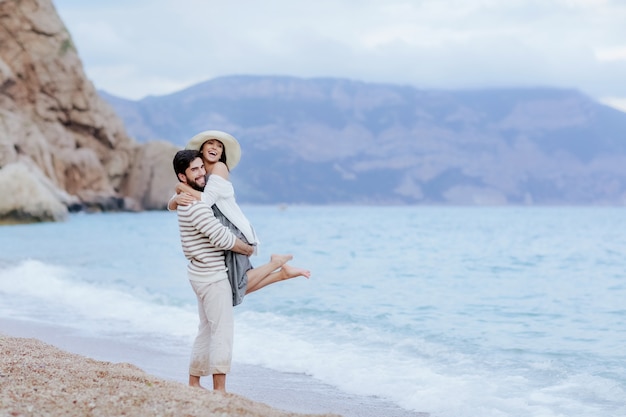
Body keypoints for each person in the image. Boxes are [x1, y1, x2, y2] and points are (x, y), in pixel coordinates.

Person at [169, 130, 310, 306]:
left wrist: (179, 187)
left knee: (232, 288)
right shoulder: (201, 172)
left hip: (234, 229)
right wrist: (175, 198)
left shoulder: (219, 168)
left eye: (219, 146)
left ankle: (276, 264)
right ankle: (282, 273)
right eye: (211, 143)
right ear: (202, 148)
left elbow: (206, 200)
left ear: (222, 153)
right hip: (223, 228)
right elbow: (182, 201)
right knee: (233, 286)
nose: (215, 147)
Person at [173, 149, 250, 391]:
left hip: (198, 274)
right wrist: (247, 250)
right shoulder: (196, 206)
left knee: (206, 330)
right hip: (212, 277)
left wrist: (174, 199)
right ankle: (220, 389)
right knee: (222, 332)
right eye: (193, 169)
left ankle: (194, 382)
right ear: (182, 177)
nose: (200, 172)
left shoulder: (188, 202)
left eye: (201, 167)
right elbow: (222, 238)